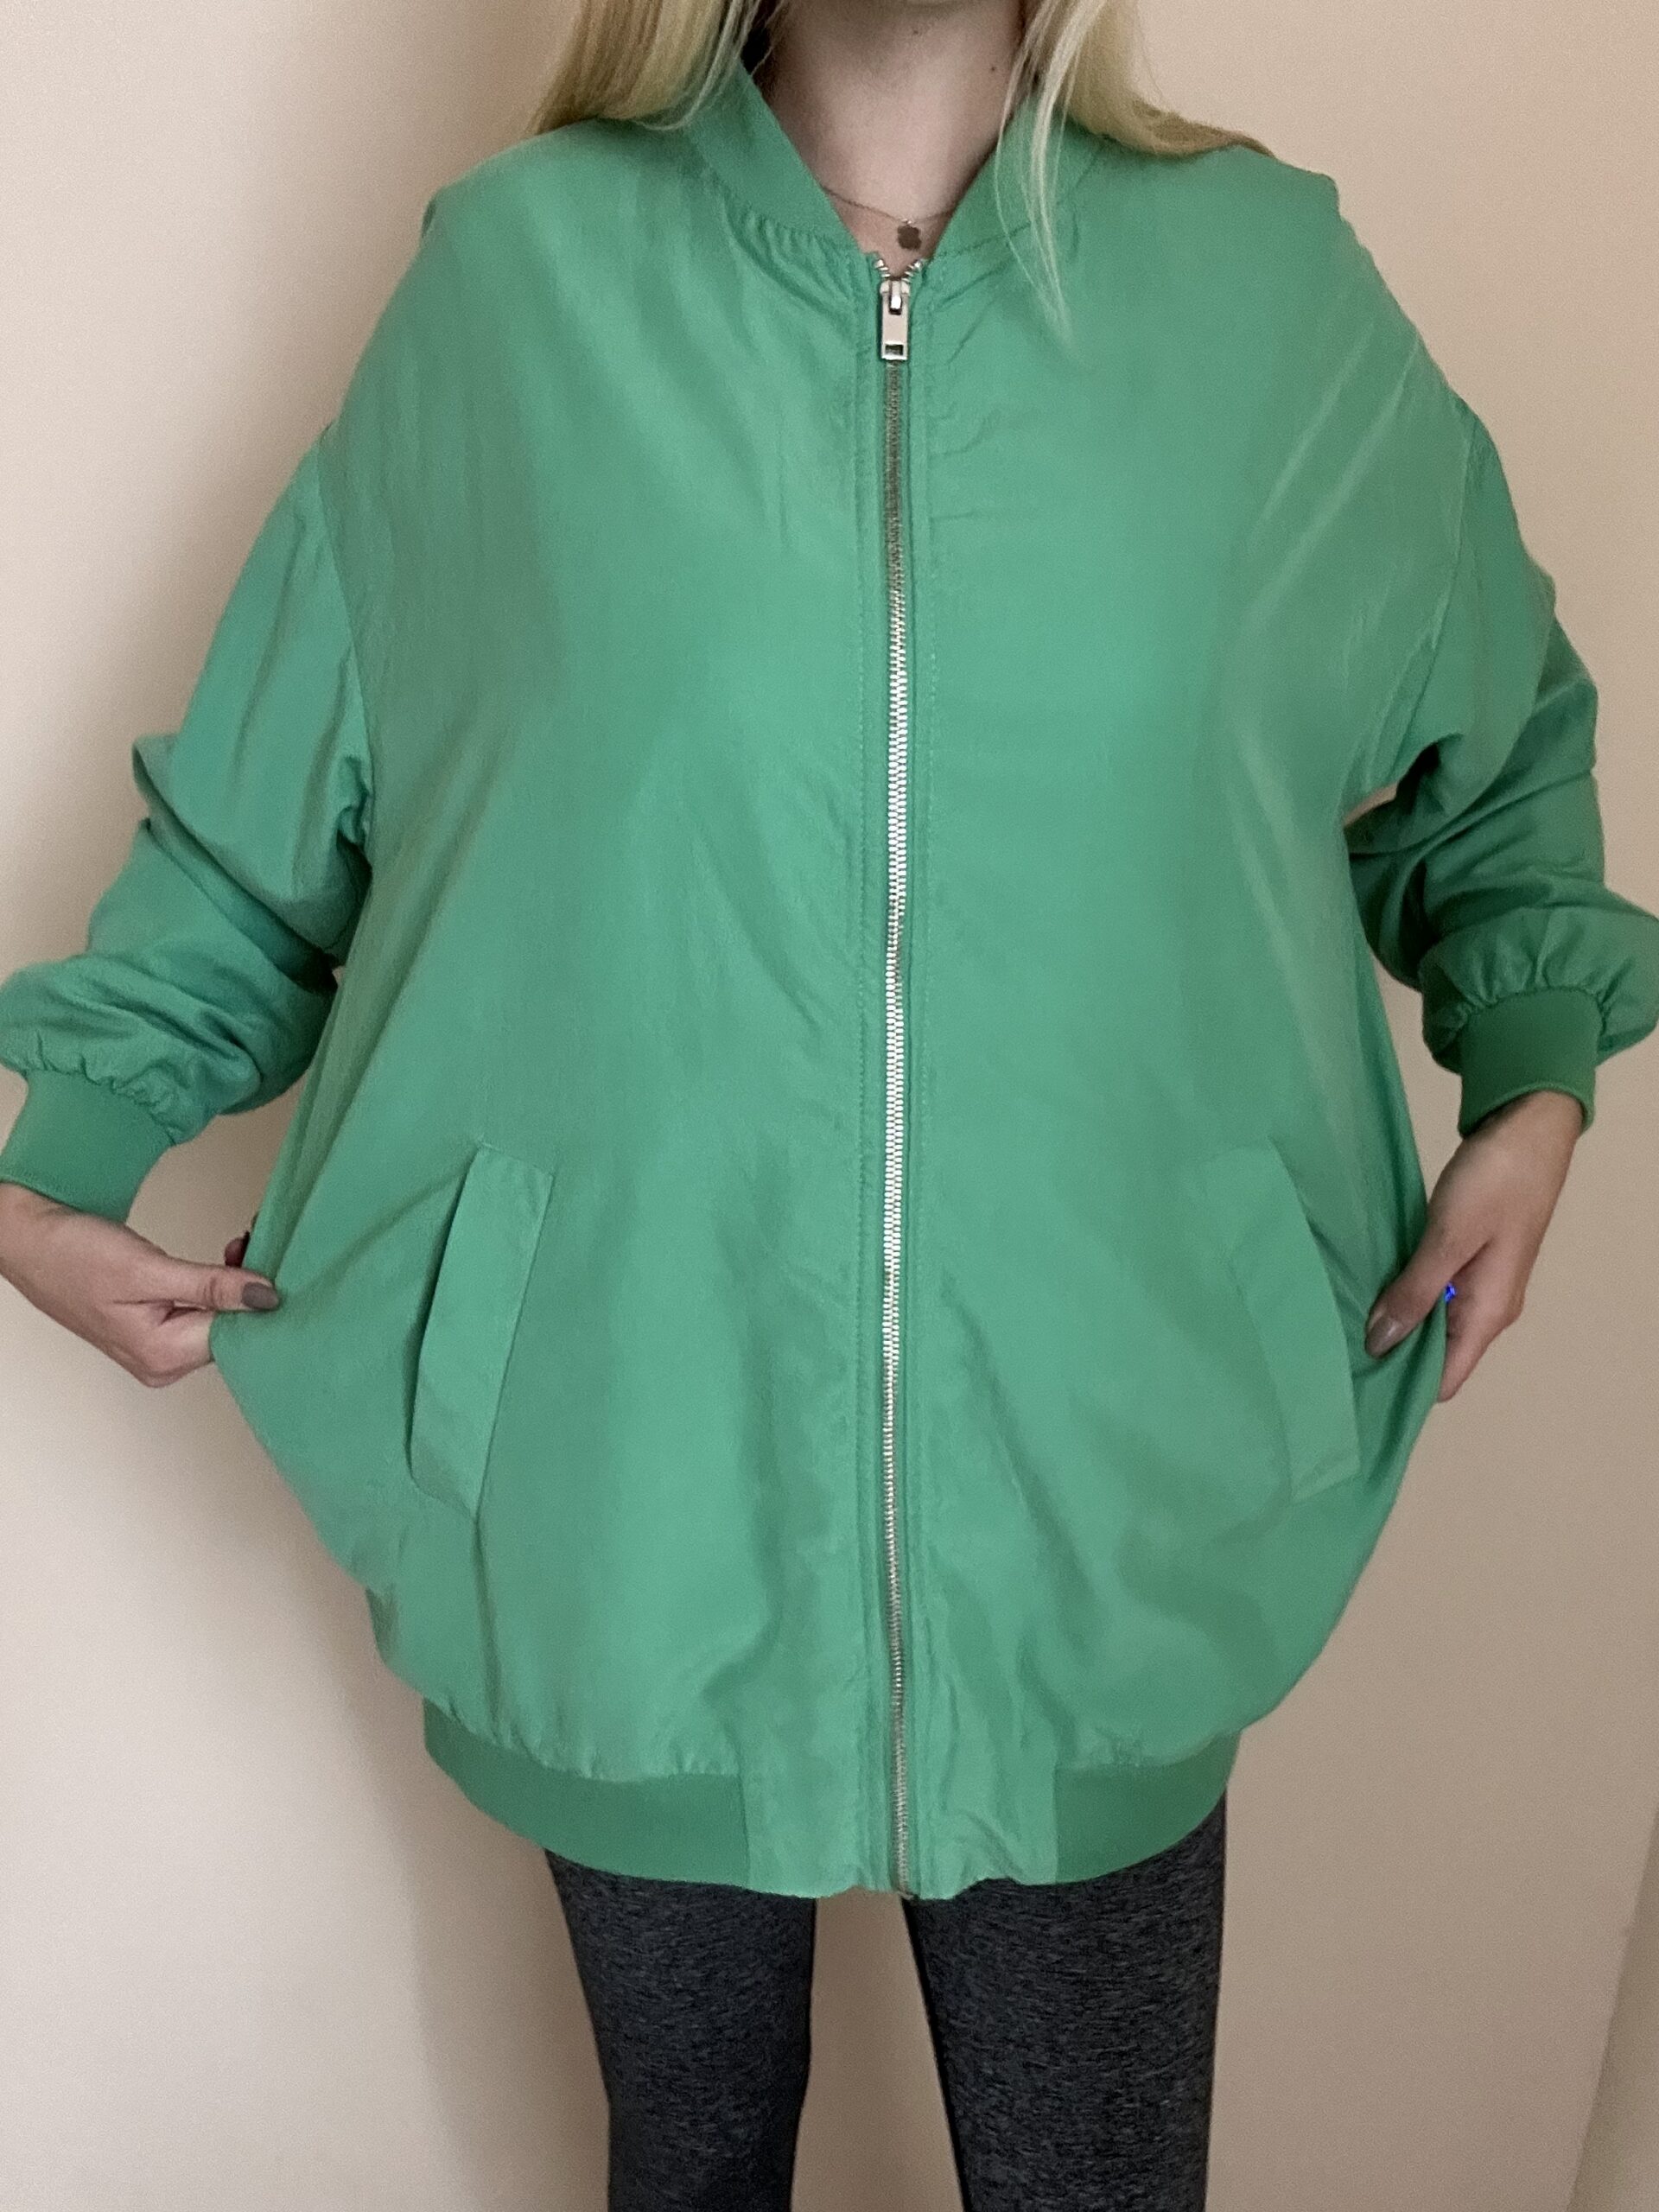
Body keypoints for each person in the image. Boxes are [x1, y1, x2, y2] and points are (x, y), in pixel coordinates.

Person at [3, 0, 1656, 2202]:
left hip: (1115, 1471)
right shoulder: (518, 293)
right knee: (692, 2161)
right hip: (622, 1465)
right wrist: (65, 1147)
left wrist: (1533, 1084)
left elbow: (1495, 747)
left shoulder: (1268, 298)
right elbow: (264, 821)